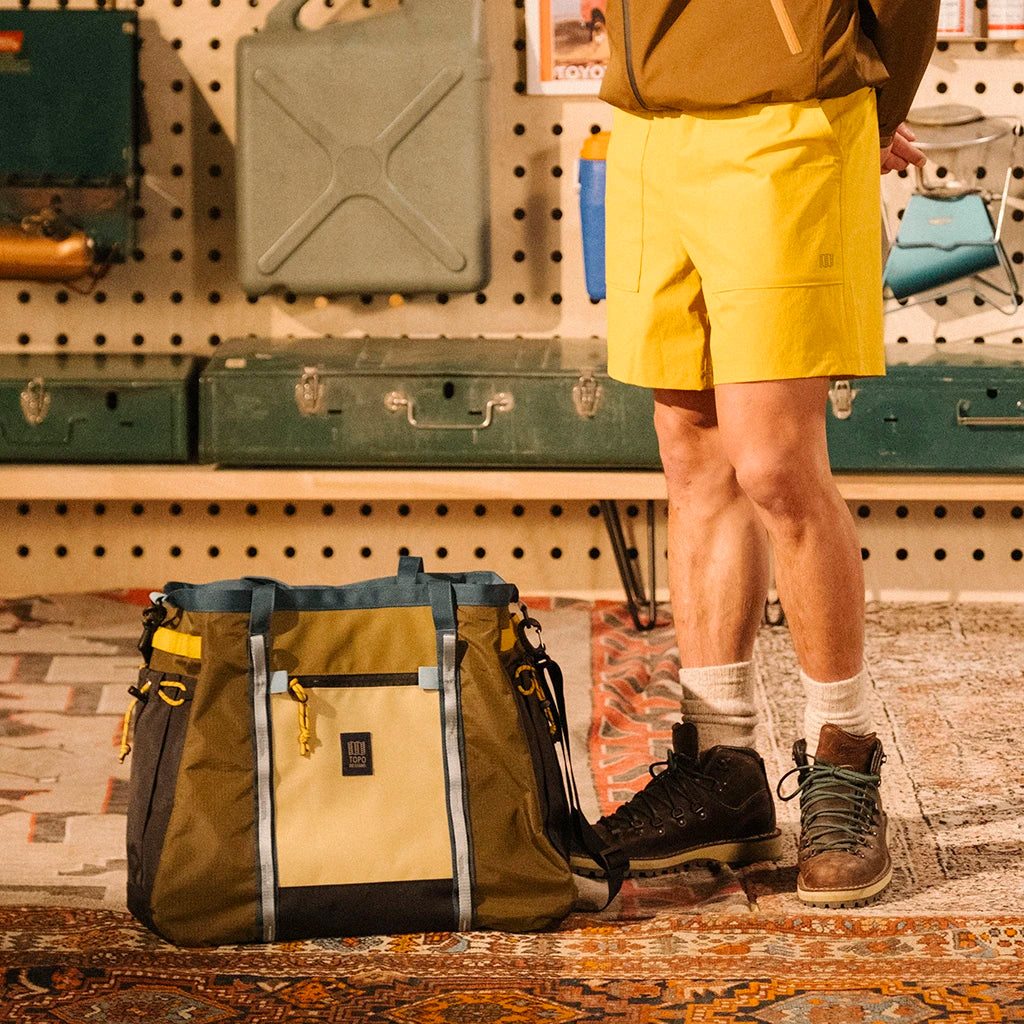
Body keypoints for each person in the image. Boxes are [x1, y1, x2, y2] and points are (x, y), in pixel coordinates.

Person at [581, 0, 941, 907]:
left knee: (774, 462)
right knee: (691, 451)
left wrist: (867, 103)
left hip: (786, 118)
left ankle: (843, 756)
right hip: (649, 126)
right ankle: (723, 767)